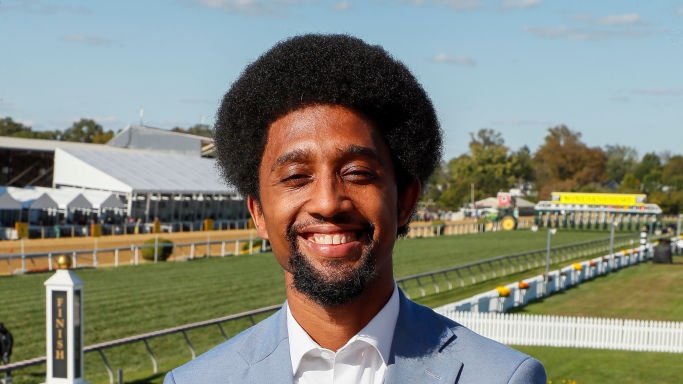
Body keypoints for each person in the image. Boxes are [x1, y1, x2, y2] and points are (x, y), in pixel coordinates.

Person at [164, 33, 546, 384]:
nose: (328, 202)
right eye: (297, 176)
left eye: (357, 173)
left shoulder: (503, 377)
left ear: (406, 201)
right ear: (258, 213)